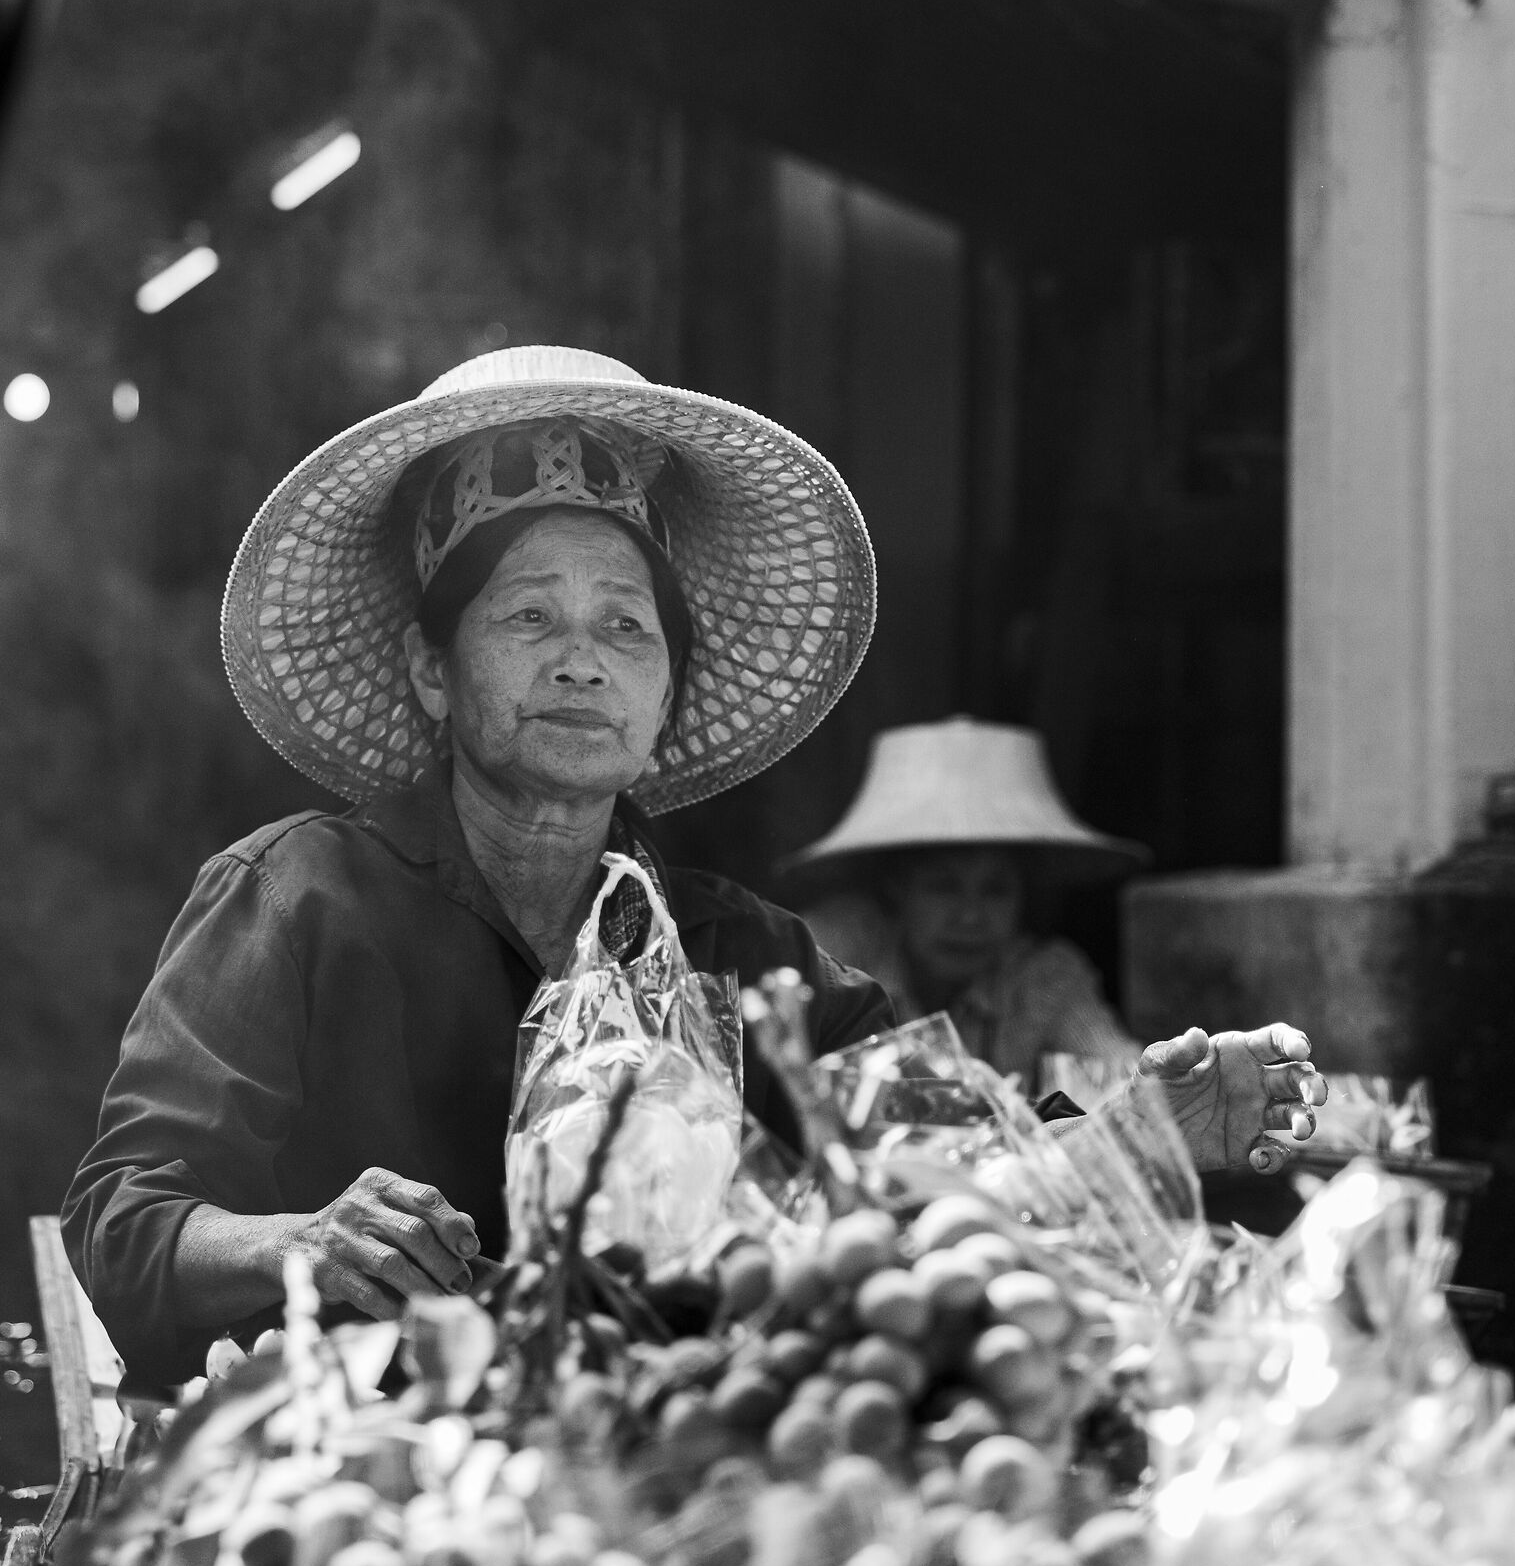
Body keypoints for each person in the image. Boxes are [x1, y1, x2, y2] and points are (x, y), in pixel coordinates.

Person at [65, 347, 1324, 1393]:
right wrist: (300, 1243)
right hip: (357, 1499)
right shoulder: (295, 897)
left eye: (626, 626)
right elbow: (124, 1221)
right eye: (525, 617)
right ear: (431, 668)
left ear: (666, 691)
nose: (581, 662)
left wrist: (1132, 1136)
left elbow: (936, 1176)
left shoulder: (752, 959)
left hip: (675, 1499)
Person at [796, 718, 1146, 1092]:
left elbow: (1124, 1080)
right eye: (944, 887)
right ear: (897, 888)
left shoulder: (1042, 979)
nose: (971, 916)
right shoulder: (836, 954)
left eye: (996, 890)